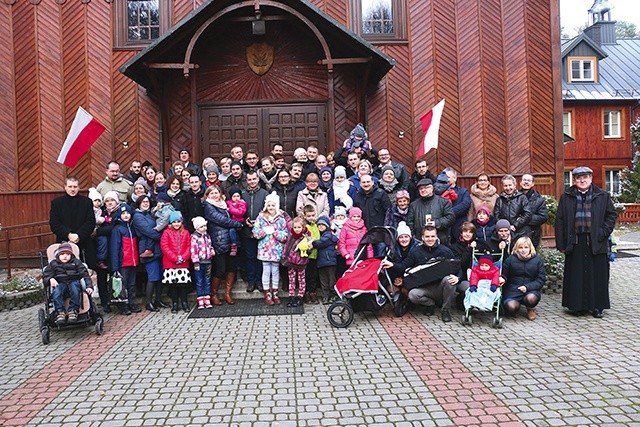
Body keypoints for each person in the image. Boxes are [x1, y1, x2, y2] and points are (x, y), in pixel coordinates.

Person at [556, 166, 616, 318]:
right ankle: (577, 306)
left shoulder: (602, 195)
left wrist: (602, 233)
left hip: (596, 239)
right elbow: (560, 220)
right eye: (578, 178)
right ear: (574, 180)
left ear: (591, 178)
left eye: (585, 177)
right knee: (576, 274)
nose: (582, 180)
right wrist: (561, 243)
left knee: (597, 274)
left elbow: (611, 216)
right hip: (575, 240)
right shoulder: (567, 196)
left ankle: (597, 307)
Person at [381, 225, 464, 323]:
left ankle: (445, 310)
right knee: (412, 295)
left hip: (440, 287)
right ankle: (430, 304)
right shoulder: (416, 251)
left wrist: (458, 278)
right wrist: (392, 264)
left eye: (432, 236)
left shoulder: (445, 251)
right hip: (424, 288)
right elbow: (403, 266)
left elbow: (458, 267)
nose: (430, 239)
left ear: (436, 237)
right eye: (427, 236)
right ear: (422, 237)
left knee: (449, 280)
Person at [203, 185, 244, 305]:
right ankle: (214, 294)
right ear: (208, 195)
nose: (215, 195)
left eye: (216, 193)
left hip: (231, 241)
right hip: (218, 241)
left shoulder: (224, 205)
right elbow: (221, 220)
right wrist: (238, 224)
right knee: (220, 269)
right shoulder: (208, 206)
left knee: (231, 268)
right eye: (212, 193)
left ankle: (227, 294)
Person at [49, 177, 97, 269]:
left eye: (75, 186)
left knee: (88, 270)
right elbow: (54, 223)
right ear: (65, 187)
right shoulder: (57, 203)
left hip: (84, 242)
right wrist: (68, 234)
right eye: (70, 186)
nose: (72, 189)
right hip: (64, 243)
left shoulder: (87, 202)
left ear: (78, 187)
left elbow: (90, 222)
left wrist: (78, 235)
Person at [43, 242, 93, 325]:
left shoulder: (76, 262)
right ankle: (60, 312)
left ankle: (73, 310)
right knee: (56, 291)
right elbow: (46, 276)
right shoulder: (53, 264)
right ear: (58, 255)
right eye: (62, 254)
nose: (65, 256)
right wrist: (50, 279)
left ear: (71, 255)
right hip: (60, 282)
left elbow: (85, 275)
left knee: (75, 288)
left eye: (67, 254)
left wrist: (89, 286)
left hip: (74, 281)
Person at [253, 192, 289, 305]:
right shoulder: (261, 217)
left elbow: (285, 235)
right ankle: (267, 292)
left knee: (275, 271)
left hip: (276, 249)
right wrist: (264, 231)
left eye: (273, 205)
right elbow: (255, 232)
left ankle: (275, 291)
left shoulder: (281, 219)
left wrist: (275, 233)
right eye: (269, 205)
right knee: (266, 270)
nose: (271, 208)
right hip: (265, 250)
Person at [131, 195, 166, 312]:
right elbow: (149, 232)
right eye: (143, 202)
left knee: (160, 276)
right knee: (153, 276)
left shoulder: (149, 214)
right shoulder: (137, 217)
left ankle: (158, 300)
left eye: (147, 202)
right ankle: (149, 302)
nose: (146, 203)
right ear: (139, 204)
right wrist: (164, 238)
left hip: (157, 248)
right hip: (147, 249)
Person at [500, 236, 545, 320]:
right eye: (520, 247)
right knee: (511, 308)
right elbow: (504, 274)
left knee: (531, 299)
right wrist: (503, 278)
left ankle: (530, 308)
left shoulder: (537, 260)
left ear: (530, 248)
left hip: (530, 289)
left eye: (526, 247)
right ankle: (516, 308)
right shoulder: (510, 259)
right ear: (516, 248)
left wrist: (527, 287)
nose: (523, 250)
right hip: (513, 289)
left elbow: (541, 279)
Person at [109, 203, 141, 315]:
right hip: (123, 263)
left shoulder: (132, 228)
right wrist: (115, 266)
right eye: (123, 213)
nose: (126, 215)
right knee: (122, 285)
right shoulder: (118, 229)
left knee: (132, 284)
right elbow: (115, 248)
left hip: (133, 261)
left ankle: (131, 302)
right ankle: (123, 305)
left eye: (128, 213)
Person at [241, 171, 268, 293]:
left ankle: (259, 281)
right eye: (249, 179)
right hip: (246, 230)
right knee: (249, 257)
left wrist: (259, 221)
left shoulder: (264, 193)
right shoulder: (242, 194)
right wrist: (244, 220)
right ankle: (251, 281)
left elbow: (268, 211)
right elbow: (238, 210)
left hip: (261, 231)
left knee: (260, 257)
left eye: (254, 179)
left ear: (258, 179)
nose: (252, 181)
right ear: (247, 180)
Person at [160, 211, 192, 313]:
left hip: (183, 263)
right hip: (171, 263)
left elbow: (189, 246)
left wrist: (183, 257)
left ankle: (184, 302)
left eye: (178, 221)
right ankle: (175, 304)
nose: (176, 224)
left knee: (183, 285)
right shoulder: (166, 232)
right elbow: (165, 247)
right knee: (173, 285)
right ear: (171, 223)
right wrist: (175, 258)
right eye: (174, 222)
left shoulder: (186, 233)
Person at [406, 178, 455, 244]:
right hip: (420, 242)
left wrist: (436, 223)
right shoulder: (413, 205)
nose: (423, 190)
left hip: (440, 241)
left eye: (426, 188)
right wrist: (414, 238)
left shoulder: (443, 202)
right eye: (421, 188)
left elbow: (450, 218)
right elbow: (410, 223)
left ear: (432, 188)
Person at [281, 216, 311, 307]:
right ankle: (291, 296)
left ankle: (300, 297)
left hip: (301, 262)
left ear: (303, 227)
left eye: (299, 227)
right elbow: (288, 220)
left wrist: (308, 248)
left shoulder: (306, 236)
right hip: (290, 261)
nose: (297, 229)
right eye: (295, 227)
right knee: (291, 280)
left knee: (301, 280)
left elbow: (310, 247)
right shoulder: (291, 234)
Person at [493, 174, 531, 240]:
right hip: (504, 233)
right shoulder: (500, 199)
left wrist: (516, 225)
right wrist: (505, 227)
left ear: (514, 185)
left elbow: (527, 214)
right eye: (505, 186)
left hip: (520, 231)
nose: (508, 188)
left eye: (510, 185)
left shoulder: (522, 198)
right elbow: (496, 215)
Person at [312, 215, 338, 304]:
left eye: (323, 225)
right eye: (318, 225)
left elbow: (321, 242)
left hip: (329, 262)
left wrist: (312, 242)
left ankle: (333, 295)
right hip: (321, 262)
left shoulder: (328, 235)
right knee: (323, 281)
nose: (320, 227)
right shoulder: (318, 235)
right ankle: (325, 296)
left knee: (331, 280)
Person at [190, 216, 215, 309]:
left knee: (207, 280)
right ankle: (200, 299)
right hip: (199, 262)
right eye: (201, 227)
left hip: (208, 261)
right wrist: (196, 262)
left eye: (205, 226)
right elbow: (194, 250)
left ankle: (207, 298)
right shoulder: (194, 237)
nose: (204, 228)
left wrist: (211, 251)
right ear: (196, 228)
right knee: (200, 281)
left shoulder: (207, 236)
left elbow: (209, 245)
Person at [520, 174, 548, 248]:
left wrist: (523, 219)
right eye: (524, 180)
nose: (526, 182)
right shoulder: (515, 197)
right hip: (517, 233)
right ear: (520, 182)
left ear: (532, 183)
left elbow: (543, 217)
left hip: (533, 234)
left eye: (528, 180)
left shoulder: (539, 199)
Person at [302, 205, 321, 303]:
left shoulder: (315, 226)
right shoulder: (305, 226)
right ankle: (307, 293)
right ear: (304, 216)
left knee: (313, 275)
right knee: (306, 275)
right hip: (306, 255)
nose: (311, 218)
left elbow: (317, 237)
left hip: (314, 255)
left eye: (313, 215)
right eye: (309, 216)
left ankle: (313, 292)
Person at [226, 188, 247, 257]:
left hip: (239, 221)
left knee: (232, 231)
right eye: (234, 196)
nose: (236, 198)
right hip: (231, 221)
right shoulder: (229, 203)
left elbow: (240, 213)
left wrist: (230, 209)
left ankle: (235, 244)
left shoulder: (242, 203)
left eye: (238, 196)